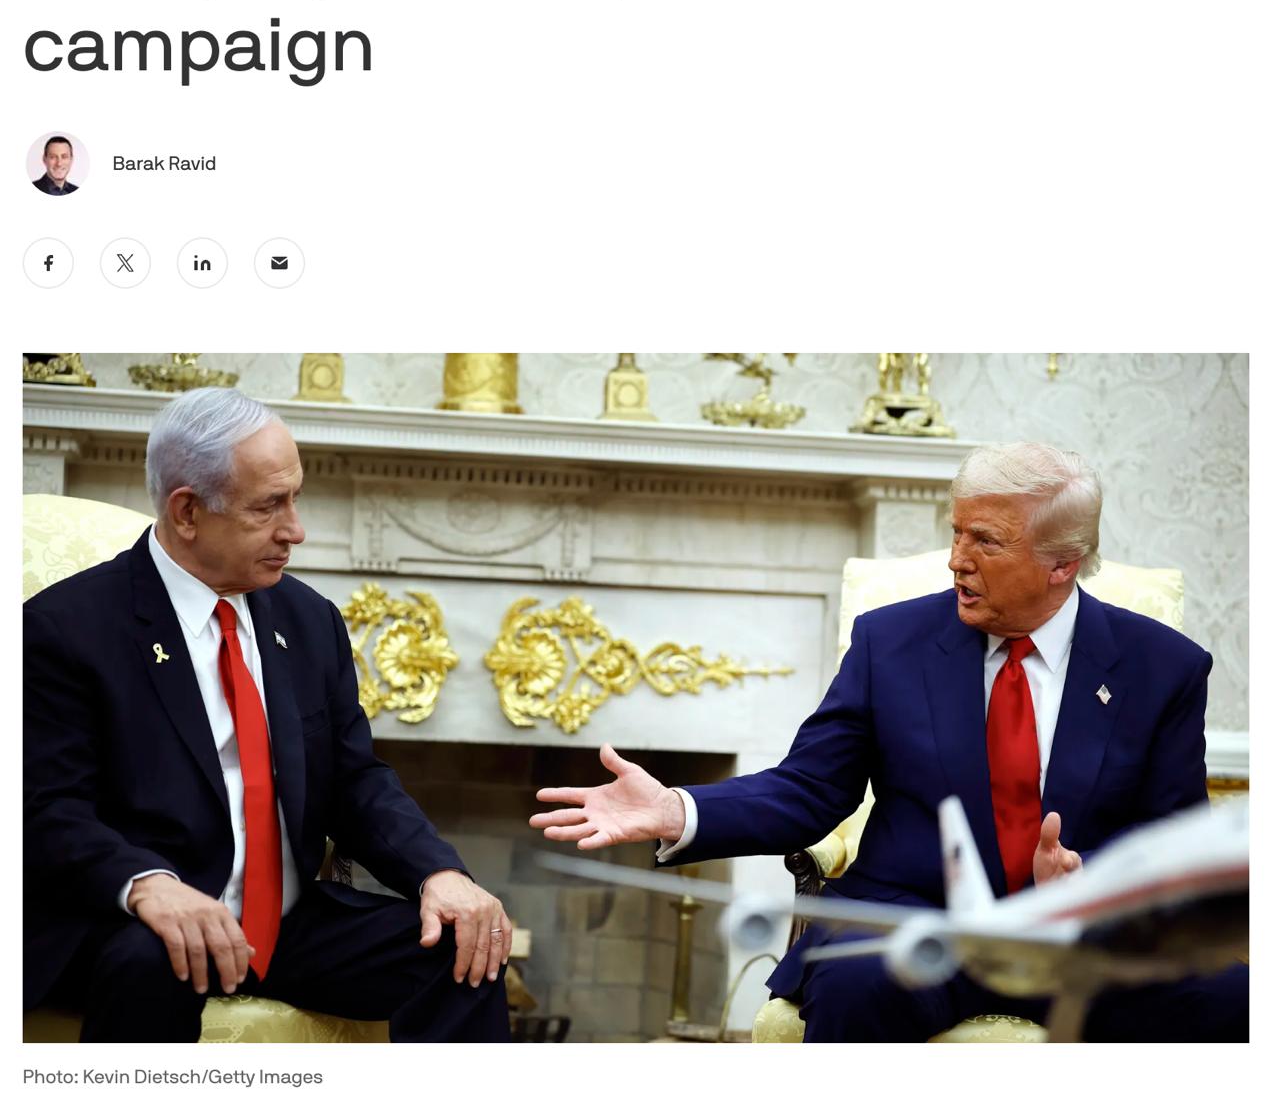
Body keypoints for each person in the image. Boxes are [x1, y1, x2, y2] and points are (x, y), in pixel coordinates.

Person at [530, 442, 1248, 1041]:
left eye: (985, 541)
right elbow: (811, 787)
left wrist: (1095, 888)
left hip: (1085, 939)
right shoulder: (891, 643)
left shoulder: (1163, 669)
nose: (956, 559)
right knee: (856, 981)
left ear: (1062, 562)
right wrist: (677, 810)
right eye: (956, 533)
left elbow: (1176, 844)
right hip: (916, 924)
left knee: (1233, 997)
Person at [24, 387, 511, 1042]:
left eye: (295, 498)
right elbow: (46, 809)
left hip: (284, 926)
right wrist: (145, 884)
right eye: (268, 506)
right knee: (156, 960)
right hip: (137, 922)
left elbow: (354, 778)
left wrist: (437, 872)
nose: (295, 530)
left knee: (464, 951)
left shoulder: (309, 620)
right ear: (188, 512)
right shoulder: (65, 629)